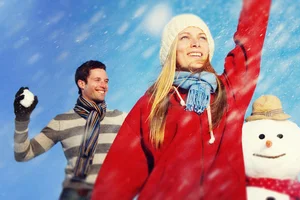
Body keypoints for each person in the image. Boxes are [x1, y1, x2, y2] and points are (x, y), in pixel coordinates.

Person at [92, 0, 271, 199]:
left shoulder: (229, 90)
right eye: (185, 37)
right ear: (171, 50)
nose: (196, 43)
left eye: (202, 37)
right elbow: (118, 176)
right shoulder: (152, 103)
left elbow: (251, 42)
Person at [12, 60, 127, 200]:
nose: (104, 85)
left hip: (112, 192)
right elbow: (23, 154)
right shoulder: (62, 122)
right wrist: (22, 119)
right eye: (97, 80)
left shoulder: (120, 118)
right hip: (75, 195)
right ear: (82, 84)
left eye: (106, 81)